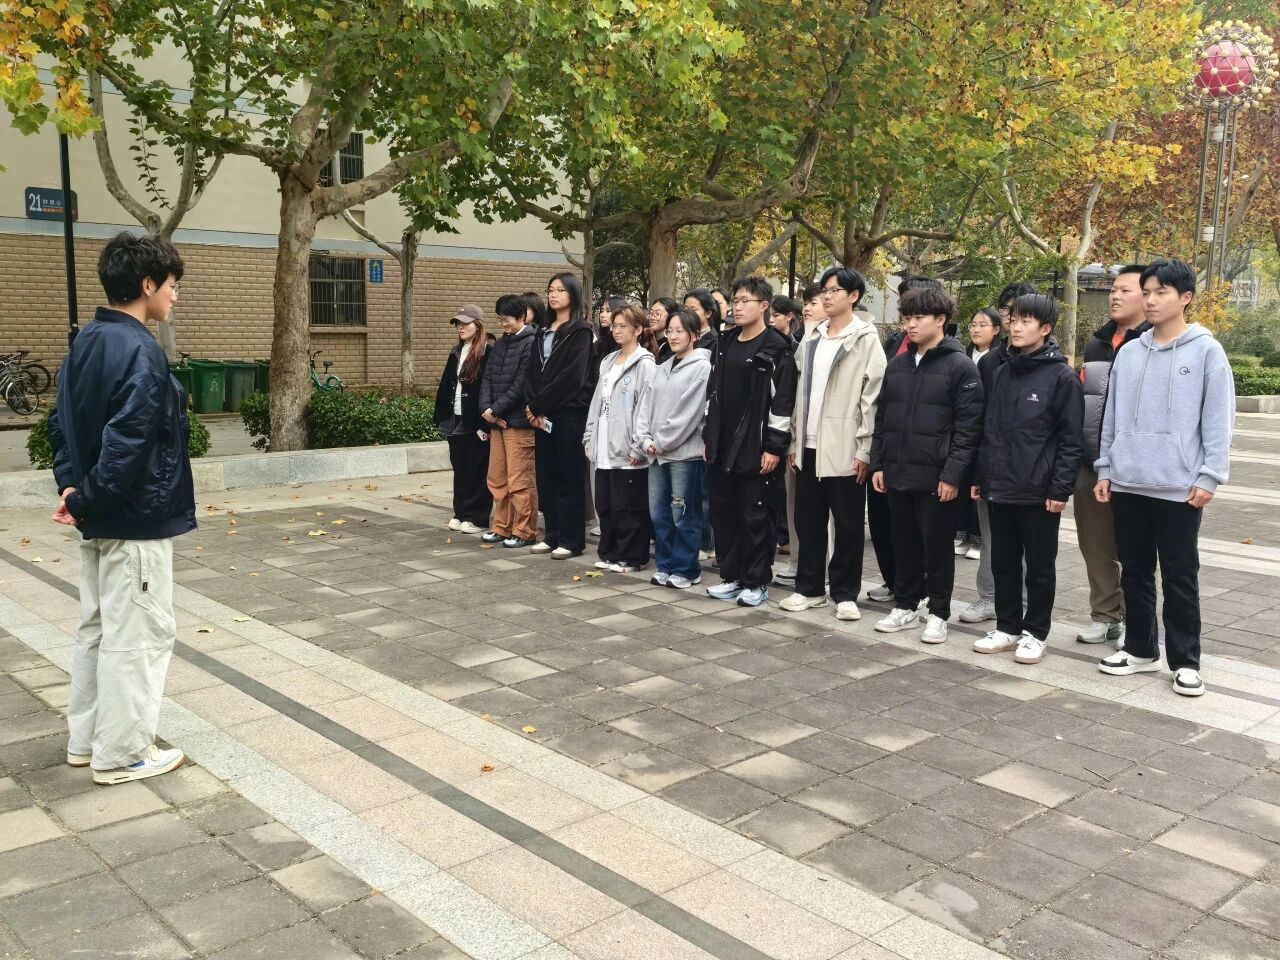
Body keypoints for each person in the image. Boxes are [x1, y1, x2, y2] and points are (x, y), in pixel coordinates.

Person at [49, 232, 193, 785]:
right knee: (139, 635)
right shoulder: (139, 351)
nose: (175, 295)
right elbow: (128, 443)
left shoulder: (86, 341)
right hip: (134, 519)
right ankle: (124, 754)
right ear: (147, 284)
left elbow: (60, 423)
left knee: (98, 630)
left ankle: (87, 743)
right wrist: (85, 497)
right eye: (172, 285)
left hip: (100, 516)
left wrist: (71, 489)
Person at [1095, 259, 1234, 697]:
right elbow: (1112, 416)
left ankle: (1186, 661)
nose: (1151, 300)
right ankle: (1139, 650)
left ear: (1185, 298)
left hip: (1179, 486)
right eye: (1147, 292)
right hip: (1128, 481)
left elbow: (1218, 419)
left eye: (1161, 292)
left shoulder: (1207, 351)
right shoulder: (1130, 352)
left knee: (1179, 575)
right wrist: (1106, 467)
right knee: (1135, 571)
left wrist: (1210, 476)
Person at [971, 295, 1083, 665]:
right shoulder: (1001, 371)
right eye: (1014, 319)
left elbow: (1071, 440)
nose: (1016, 327)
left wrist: (1060, 488)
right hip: (999, 485)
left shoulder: (1062, 377)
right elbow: (988, 428)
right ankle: (1007, 627)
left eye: (1026, 321)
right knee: (1003, 562)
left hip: (1038, 491)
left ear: (1045, 328)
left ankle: (1036, 632)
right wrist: (981, 475)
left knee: (1039, 567)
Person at [870, 284, 983, 644]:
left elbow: (968, 428)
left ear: (941, 319)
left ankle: (938, 613)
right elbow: (882, 418)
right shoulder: (898, 365)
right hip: (898, 470)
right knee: (902, 543)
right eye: (906, 317)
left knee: (937, 548)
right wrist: (879, 464)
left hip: (937, 477)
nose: (911, 324)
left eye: (919, 317)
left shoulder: (960, 366)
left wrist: (952, 475)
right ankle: (906, 604)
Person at [780, 267, 885, 621]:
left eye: (834, 290)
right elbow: (797, 393)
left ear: (854, 296)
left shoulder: (864, 338)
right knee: (808, 521)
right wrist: (794, 440)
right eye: (824, 290)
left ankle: (844, 593)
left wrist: (865, 448)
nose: (827, 296)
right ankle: (809, 589)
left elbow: (872, 398)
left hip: (845, 447)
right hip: (807, 446)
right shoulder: (812, 336)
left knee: (848, 524)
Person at [704, 276, 797, 607]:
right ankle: (731, 576)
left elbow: (782, 403)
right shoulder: (725, 342)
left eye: (746, 300)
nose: (738, 306)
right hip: (721, 446)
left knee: (756, 515)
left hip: (756, 448)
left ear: (764, 305)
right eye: (735, 300)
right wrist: (708, 437)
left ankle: (756, 581)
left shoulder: (775, 348)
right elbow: (712, 395)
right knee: (724, 513)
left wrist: (774, 446)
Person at [1074, 265, 1149, 647]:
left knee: (1135, 548)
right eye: (1112, 290)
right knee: (1095, 545)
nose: (1115, 296)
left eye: (1125, 290)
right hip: (1091, 461)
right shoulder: (1097, 343)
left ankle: (1137, 619)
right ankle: (1105, 616)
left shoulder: (1155, 343)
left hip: (1135, 466)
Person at [639, 307, 712, 589]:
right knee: (659, 513)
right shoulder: (662, 367)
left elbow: (689, 413)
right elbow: (645, 407)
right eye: (670, 331)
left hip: (684, 454)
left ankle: (686, 568)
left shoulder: (702, 367)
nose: (673, 336)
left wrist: (661, 442)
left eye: (680, 331)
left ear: (694, 334)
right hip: (656, 454)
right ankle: (666, 565)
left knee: (684, 514)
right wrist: (645, 439)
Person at [583, 304, 658, 572]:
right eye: (614, 326)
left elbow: (646, 407)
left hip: (628, 449)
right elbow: (597, 402)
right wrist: (589, 436)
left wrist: (638, 445)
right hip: (604, 444)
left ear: (637, 330)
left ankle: (632, 557)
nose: (616, 331)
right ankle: (610, 553)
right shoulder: (608, 361)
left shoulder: (645, 363)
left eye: (623, 326)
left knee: (628, 507)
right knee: (605, 504)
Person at [526, 272, 596, 559]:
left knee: (570, 477)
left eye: (560, 290)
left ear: (573, 294)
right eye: (550, 290)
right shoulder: (542, 330)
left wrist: (538, 405)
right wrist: (532, 406)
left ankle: (571, 539)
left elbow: (572, 377)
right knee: (547, 477)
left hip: (568, 414)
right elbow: (531, 371)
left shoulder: (581, 331)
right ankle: (552, 534)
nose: (553, 295)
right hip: (541, 416)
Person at [480, 295, 539, 548]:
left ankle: (524, 530)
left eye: (508, 319)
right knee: (497, 478)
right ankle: (501, 527)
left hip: (518, 423)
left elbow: (522, 384)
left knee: (520, 480)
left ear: (522, 317)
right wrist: (486, 410)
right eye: (500, 319)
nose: (503, 324)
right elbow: (487, 378)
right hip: (497, 422)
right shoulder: (501, 344)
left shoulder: (532, 342)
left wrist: (496, 409)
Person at [956, 307, 1002, 621]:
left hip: (1025, 469)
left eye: (982, 324)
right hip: (982, 453)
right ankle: (989, 597)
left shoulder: (1057, 372)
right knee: (989, 532)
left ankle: (1021, 607)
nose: (976, 329)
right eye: (973, 324)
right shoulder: (979, 361)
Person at [435, 305, 492, 534]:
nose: (461, 327)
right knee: (460, 468)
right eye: (458, 324)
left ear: (477, 325)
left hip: (476, 418)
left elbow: (488, 387)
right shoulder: (456, 351)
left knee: (477, 469)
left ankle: (477, 517)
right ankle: (460, 513)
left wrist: (485, 423)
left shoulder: (487, 351)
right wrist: (441, 416)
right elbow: (445, 385)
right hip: (454, 417)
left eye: (465, 323)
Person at [649, 296, 679, 364]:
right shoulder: (646, 340)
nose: (652, 317)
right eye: (651, 313)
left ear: (670, 316)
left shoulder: (672, 343)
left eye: (658, 314)